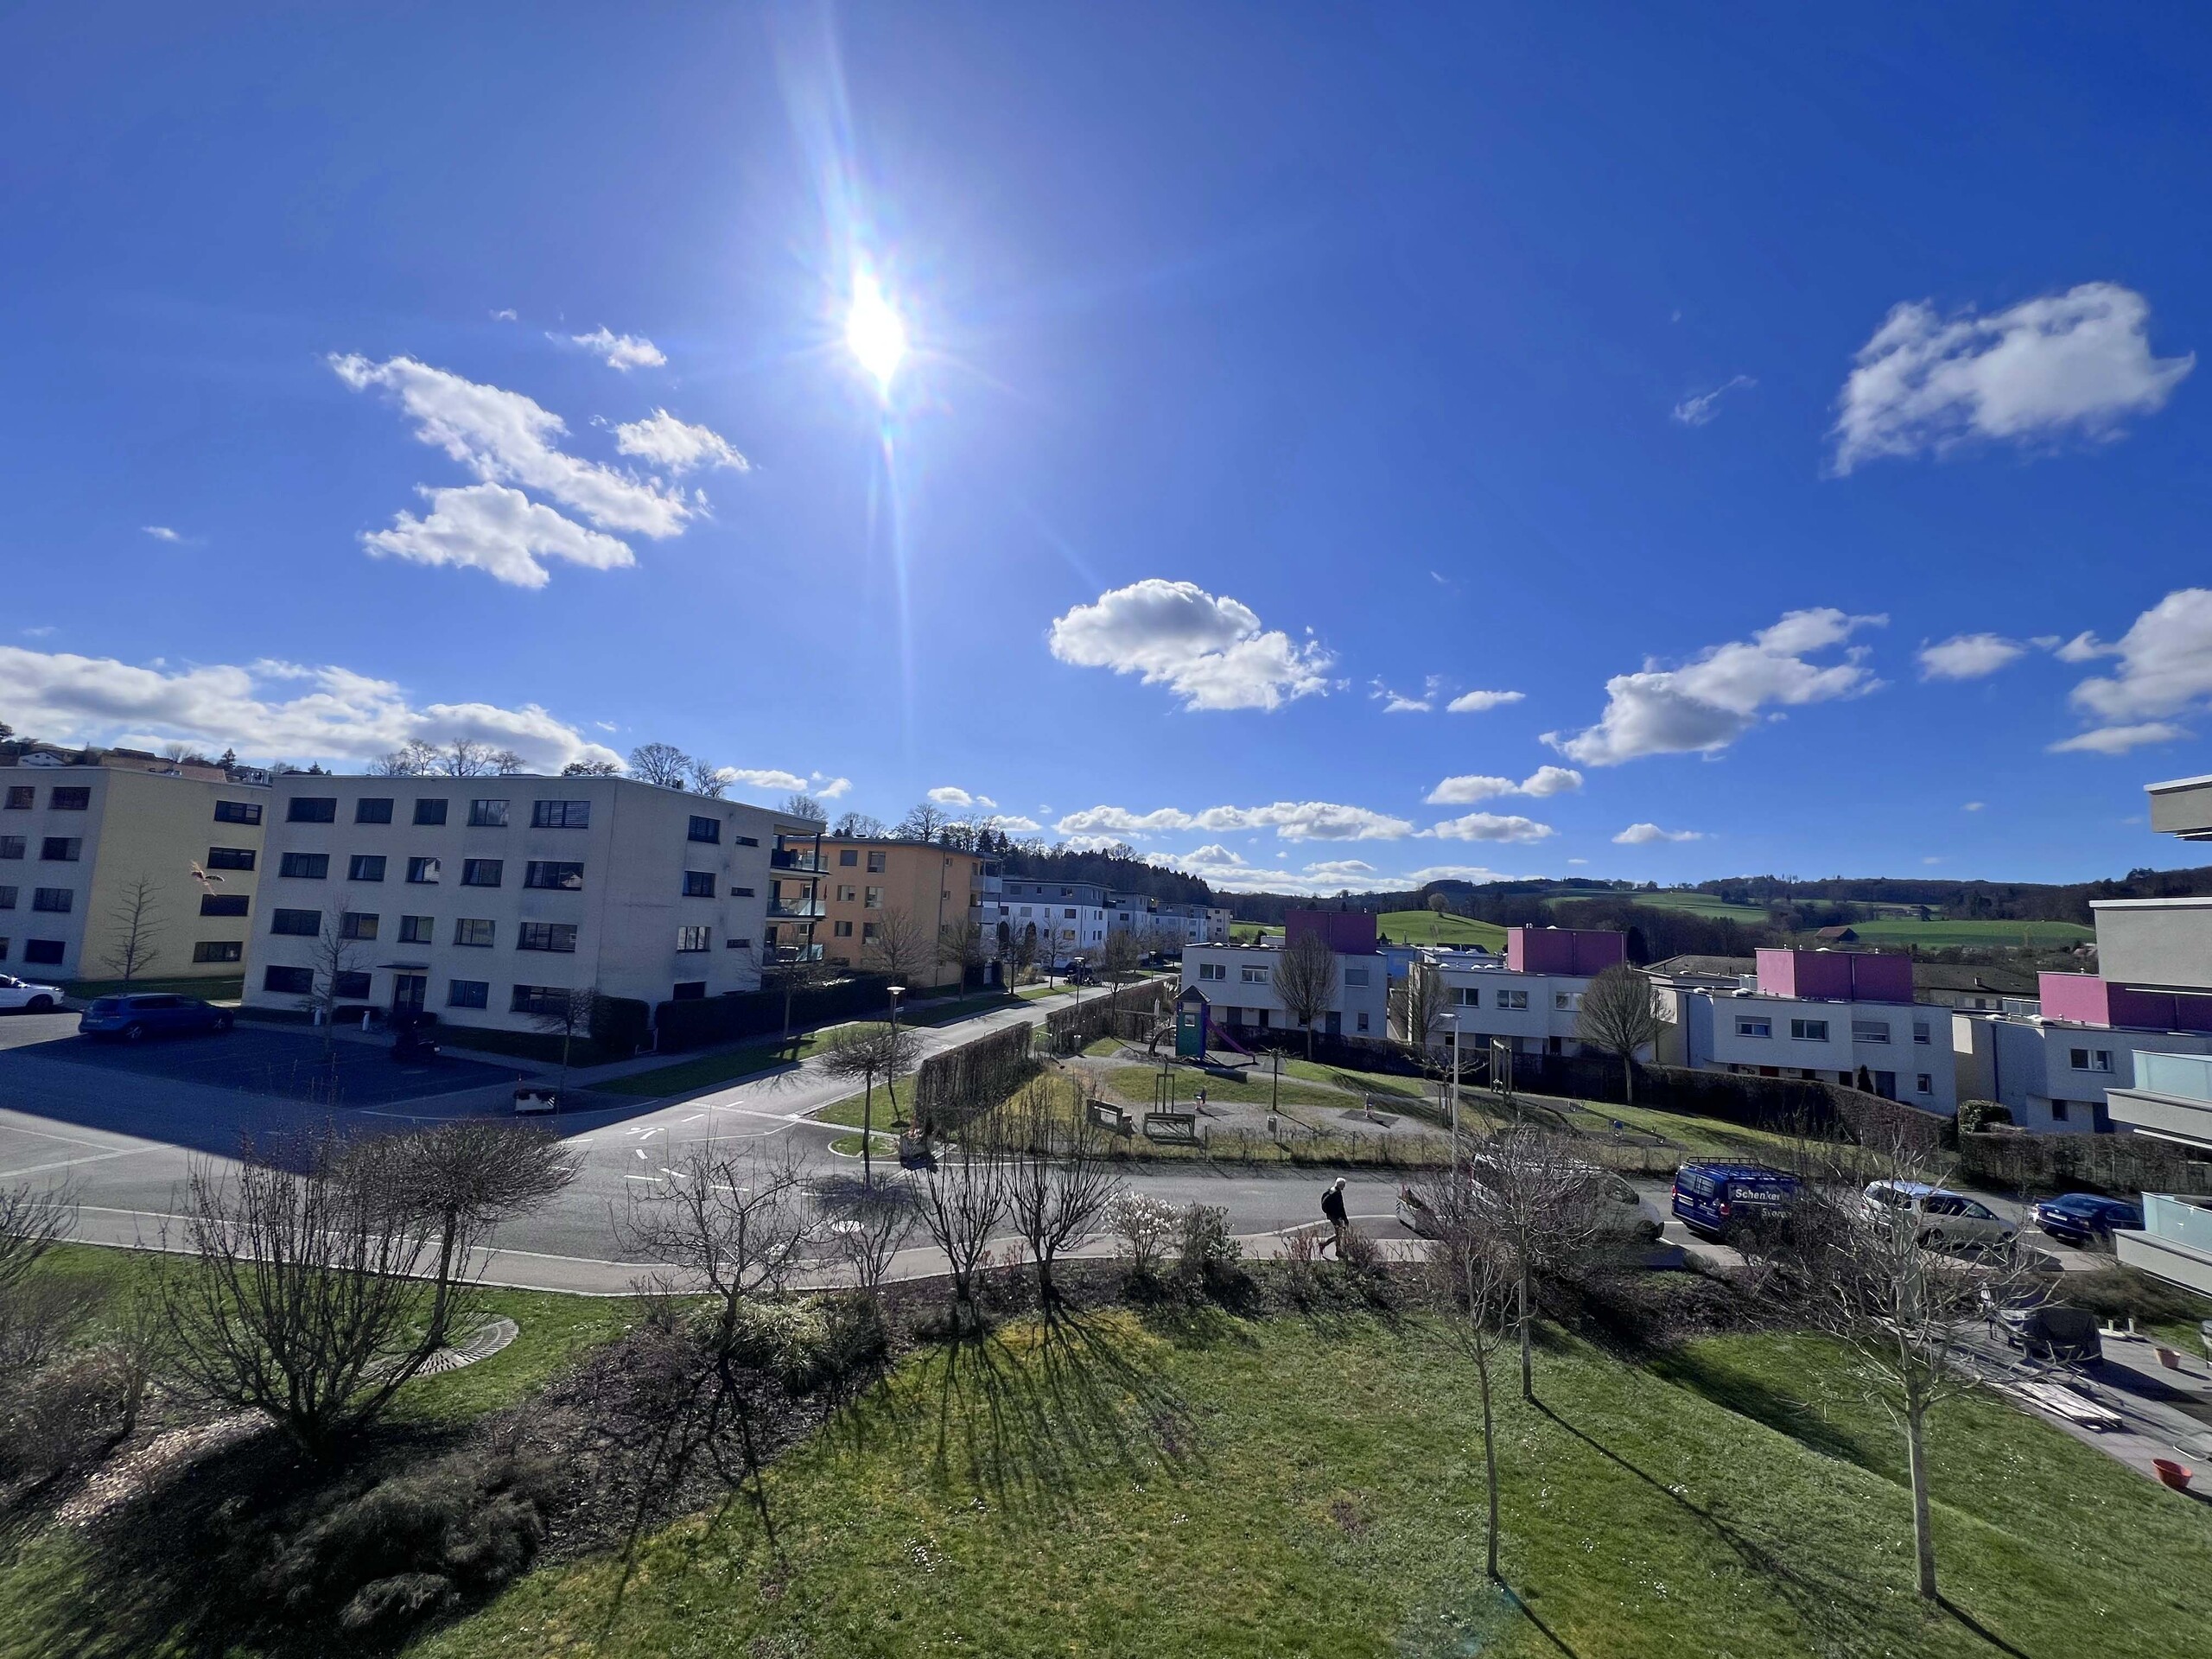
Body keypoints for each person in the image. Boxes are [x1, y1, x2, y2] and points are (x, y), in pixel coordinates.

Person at [1319, 1177, 1349, 1258]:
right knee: (1338, 1234)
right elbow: (1341, 1207)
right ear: (1341, 1185)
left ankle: (1338, 1250)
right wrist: (1345, 1219)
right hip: (1335, 1216)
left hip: (1330, 1214)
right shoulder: (1337, 1194)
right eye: (1344, 1185)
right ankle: (1325, 1244)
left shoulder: (1331, 1190)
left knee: (1338, 1233)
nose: (1344, 1187)